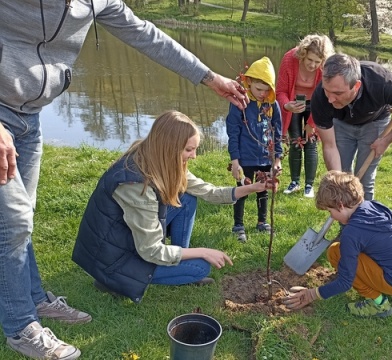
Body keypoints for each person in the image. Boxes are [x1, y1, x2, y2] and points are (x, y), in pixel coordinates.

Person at [0, 2, 249, 358]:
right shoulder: (138, 180)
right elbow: (152, 247)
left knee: (24, 216)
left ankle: (37, 299)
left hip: (29, 115)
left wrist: (209, 78)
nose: (193, 156)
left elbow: (147, 35)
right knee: (12, 225)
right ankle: (21, 327)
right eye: (190, 149)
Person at [73, 111, 274, 303]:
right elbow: (150, 251)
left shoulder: (156, 157)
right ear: (169, 147)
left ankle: (178, 260)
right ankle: (113, 282)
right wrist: (202, 251)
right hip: (114, 261)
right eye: (189, 149)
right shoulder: (135, 185)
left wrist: (253, 188)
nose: (194, 156)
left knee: (187, 198)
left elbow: (208, 191)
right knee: (200, 268)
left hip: (125, 237)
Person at [282, 171, 392, 318]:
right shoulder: (374, 206)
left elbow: (345, 282)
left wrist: (312, 294)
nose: (331, 216)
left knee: (335, 252)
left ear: (341, 205)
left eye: (330, 211)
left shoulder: (351, 233)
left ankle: (379, 304)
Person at [311, 53, 392, 200]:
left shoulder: (382, 81)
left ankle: (365, 220)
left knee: (365, 181)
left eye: (337, 93)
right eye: (327, 90)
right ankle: (346, 222)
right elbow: (329, 146)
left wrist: (386, 140)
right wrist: (338, 184)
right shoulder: (320, 98)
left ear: (356, 85)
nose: (330, 98)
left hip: (375, 122)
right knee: (341, 178)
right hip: (341, 123)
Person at [226, 57, 283, 243]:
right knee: (242, 191)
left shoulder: (272, 105)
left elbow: (278, 131)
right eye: (259, 89)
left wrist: (277, 159)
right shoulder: (240, 104)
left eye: (267, 90)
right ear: (248, 82)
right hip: (245, 158)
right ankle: (238, 225)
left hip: (266, 158)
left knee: (263, 190)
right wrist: (235, 161)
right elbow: (233, 133)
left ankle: (262, 221)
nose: (263, 94)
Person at [276, 34, 335, 198]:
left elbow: (325, 98)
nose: (313, 65)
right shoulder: (289, 59)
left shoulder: (326, 67)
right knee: (296, 141)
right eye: (310, 60)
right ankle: (294, 182)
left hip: (315, 104)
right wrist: (287, 105)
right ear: (303, 53)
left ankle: (309, 185)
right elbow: (280, 91)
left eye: (318, 62)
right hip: (294, 102)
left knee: (310, 141)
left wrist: (311, 124)